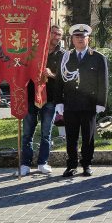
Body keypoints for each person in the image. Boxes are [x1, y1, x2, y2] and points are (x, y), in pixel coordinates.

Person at [55, 24, 108, 177]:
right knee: (71, 137)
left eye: (83, 37)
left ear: (88, 39)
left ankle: (87, 164)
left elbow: (103, 82)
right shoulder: (65, 57)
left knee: (88, 137)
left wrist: (100, 102)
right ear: (72, 39)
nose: (80, 39)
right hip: (70, 104)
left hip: (89, 104)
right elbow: (59, 81)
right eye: (77, 37)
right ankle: (71, 165)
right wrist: (59, 101)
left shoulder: (98, 58)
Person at [19, 24, 64, 176]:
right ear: (47, 33)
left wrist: (51, 74)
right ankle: (25, 164)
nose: (57, 37)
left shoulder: (62, 55)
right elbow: (21, 70)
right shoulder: (34, 51)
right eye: (54, 33)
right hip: (31, 97)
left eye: (59, 34)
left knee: (46, 133)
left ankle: (42, 163)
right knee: (27, 133)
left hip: (50, 99)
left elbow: (66, 78)